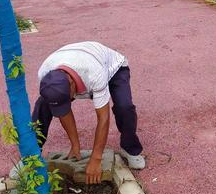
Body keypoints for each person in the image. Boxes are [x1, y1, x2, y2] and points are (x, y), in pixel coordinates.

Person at [31, 41, 144, 184]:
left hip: (112, 70)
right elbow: (63, 110)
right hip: (77, 66)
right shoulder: (45, 73)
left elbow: (103, 117)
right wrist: (75, 145)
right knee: (42, 105)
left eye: (68, 99)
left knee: (124, 107)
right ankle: (31, 157)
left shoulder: (93, 72)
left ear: (72, 84)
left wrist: (96, 159)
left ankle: (130, 149)